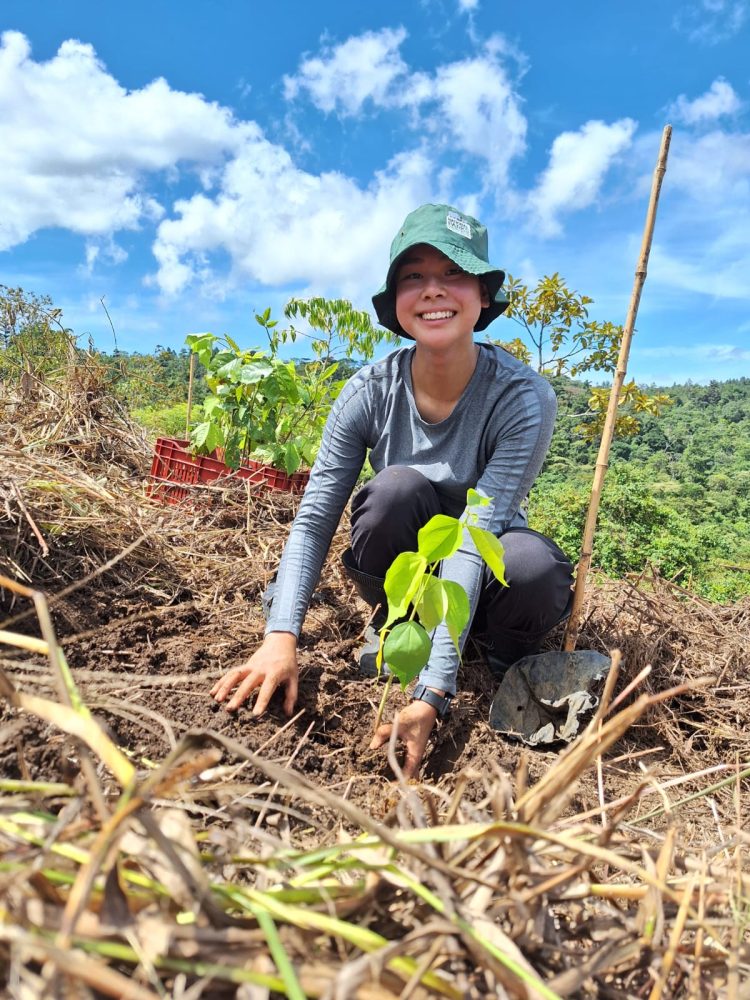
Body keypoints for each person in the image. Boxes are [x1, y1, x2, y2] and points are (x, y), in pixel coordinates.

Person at [211, 204, 573, 776]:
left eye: (454, 273)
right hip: (408, 572)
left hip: (482, 553)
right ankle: (396, 623)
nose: (434, 291)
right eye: (413, 276)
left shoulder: (522, 398)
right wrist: (281, 636)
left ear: (482, 296)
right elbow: (313, 520)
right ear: (396, 300)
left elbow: (476, 536)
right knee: (395, 490)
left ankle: (499, 652)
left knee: (534, 569)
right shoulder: (369, 392)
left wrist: (432, 694)